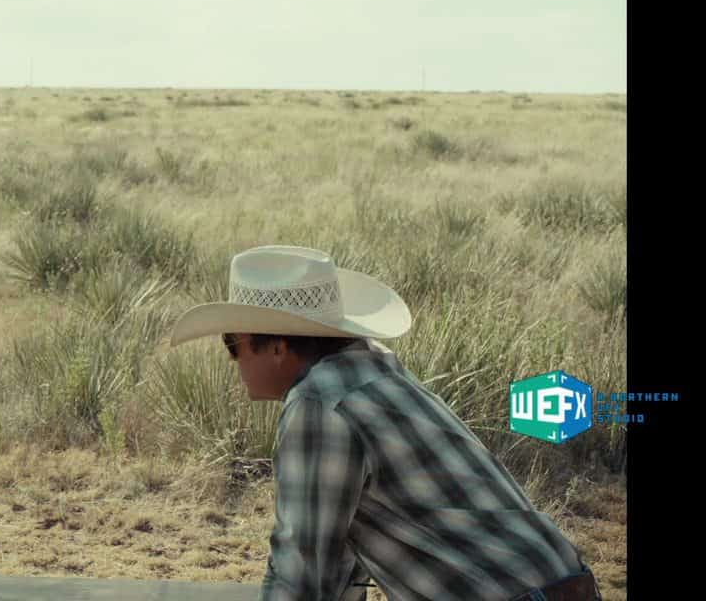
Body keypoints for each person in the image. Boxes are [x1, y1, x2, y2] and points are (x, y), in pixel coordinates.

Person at [166, 246, 600, 601]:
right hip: (560, 583)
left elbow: (300, 577)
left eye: (232, 344)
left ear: (277, 347)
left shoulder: (318, 404)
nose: (232, 362)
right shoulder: (373, 370)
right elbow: (337, 566)